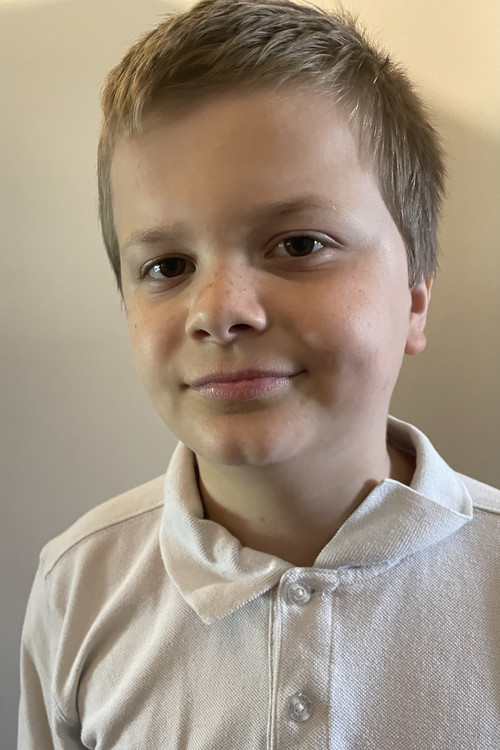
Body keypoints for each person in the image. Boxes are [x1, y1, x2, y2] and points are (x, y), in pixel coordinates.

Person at [18, 1, 500, 747]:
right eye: (167, 266)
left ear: (413, 299)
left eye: (299, 244)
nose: (219, 311)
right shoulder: (77, 586)